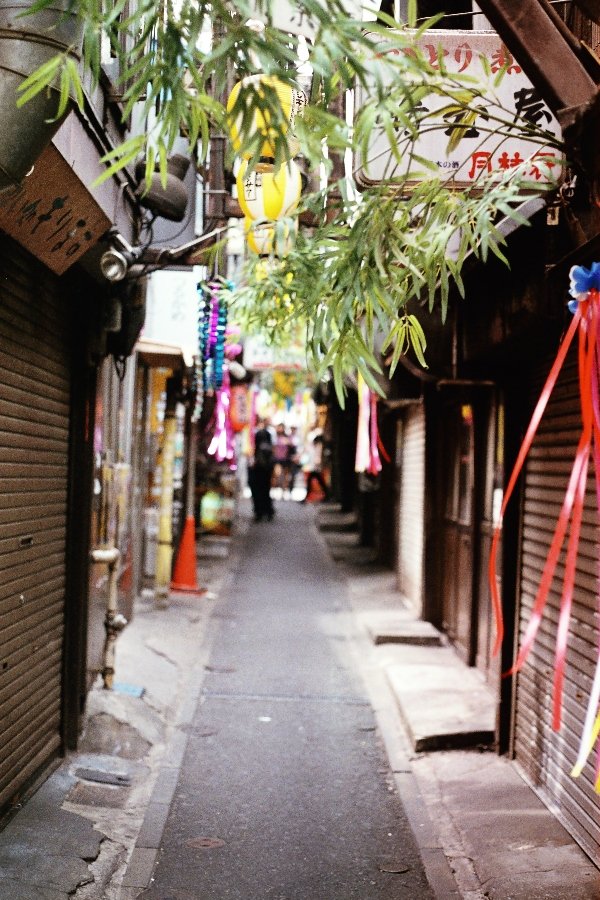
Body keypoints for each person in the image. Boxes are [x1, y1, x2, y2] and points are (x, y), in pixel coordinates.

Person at [248, 419, 275, 521]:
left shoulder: (259, 450)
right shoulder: (268, 448)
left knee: (259, 491)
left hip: (260, 470)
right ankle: (267, 511)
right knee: (266, 490)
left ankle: (260, 512)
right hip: (266, 471)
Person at [301, 430, 329, 502]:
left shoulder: (319, 447)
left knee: (318, 482)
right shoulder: (316, 447)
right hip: (315, 468)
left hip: (316, 468)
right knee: (316, 482)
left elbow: (318, 458)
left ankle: (326, 496)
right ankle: (326, 496)